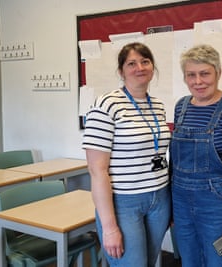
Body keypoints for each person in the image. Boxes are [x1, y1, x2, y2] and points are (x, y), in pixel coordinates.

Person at [82, 42, 171, 267]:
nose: (139, 67)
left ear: (153, 67)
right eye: (131, 63)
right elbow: (97, 170)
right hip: (124, 202)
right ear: (121, 71)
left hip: (159, 198)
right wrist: (110, 227)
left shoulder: (158, 106)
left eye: (145, 61)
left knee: (149, 263)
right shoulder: (106, 105)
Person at [170, 44, 222, 267]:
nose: (198, 81)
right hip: (181, 203)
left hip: (219, 206)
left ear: (218, 73)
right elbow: (175, 164)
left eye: (205, 73)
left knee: (220, 260)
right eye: (191, 75)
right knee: (189, 261)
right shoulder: (181, 107)